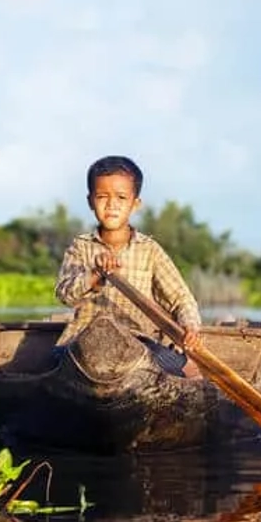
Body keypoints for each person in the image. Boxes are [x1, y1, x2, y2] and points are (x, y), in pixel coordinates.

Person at [54, 155, 202, 373]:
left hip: (138, 342)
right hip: (83, 339)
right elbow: (65, 294)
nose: (112, 205)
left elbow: (181, 299)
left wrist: (190, 327)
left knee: (175, 365)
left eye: (121, 198)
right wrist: (95, 275)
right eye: (102, 196)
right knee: (54, 360)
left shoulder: (149, 250)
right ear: (90, 201)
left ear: (135, 204)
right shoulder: (81, 247)